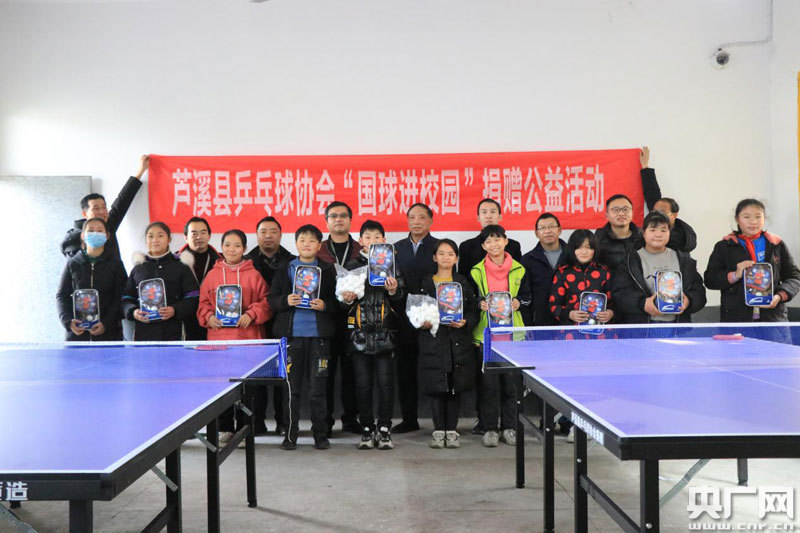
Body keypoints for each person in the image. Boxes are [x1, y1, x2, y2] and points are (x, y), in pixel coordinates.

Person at [197, 229, 272, 445]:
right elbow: (202, 305)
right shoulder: (212, 276)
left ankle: (246, 428)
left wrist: (251, 314)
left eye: (237, 245)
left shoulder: (254, 274)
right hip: (220, 341)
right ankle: (225, 427)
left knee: (247, 387)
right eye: (227, 245)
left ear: (244, 249)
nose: (232, 249)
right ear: (221, 248)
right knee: (223, 385)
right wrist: (209, 317)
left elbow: (267, 303)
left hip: (248, 340)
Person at [268, 224, 338, 450]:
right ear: (296, 244)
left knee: (318, 388)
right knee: (291, 389)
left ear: (319, 246)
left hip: (319, 337)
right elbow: (272, 299)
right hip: (291, 337)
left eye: (311, 240)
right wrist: (285, 301)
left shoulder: (328, 270)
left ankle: (320, 434)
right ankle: (290, 435)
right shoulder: (284, 268)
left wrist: (325, 305)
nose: (306, 244)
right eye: (302, 240)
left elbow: (338, 302)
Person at [340, 220, 405, 450]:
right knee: (363, 385)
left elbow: (402, 299)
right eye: (368, 237)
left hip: (385, 335)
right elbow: (341, 302)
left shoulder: (392, 265)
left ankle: (384, 428)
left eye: (377, 237)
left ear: (384, 241)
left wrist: (394, 290)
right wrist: (346, 298)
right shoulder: (352, 265)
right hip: (359, 336)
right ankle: (367, 428)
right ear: (360, 241)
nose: (372, 241)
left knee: (386, 385)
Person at [470, 225, 531, 448]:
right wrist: (479, 303)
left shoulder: (520, 269)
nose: (493, 244)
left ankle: (509, 428)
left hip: (513, 338)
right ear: (483, 246)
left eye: (497, 239)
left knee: (511, 387)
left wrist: (518, 302)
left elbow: (528, 297)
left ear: (506, 241)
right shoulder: (476, 271)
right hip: (487, 337)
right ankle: (490, 429)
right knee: (489, 387)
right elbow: (470, 298)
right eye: (488, 241)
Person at [418, 239, 479, 449]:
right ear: (434, 257)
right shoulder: (426, 282)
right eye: (441, 253)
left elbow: (473, 310)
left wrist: (466, 322)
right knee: (437, 386)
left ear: (456, 258)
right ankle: (438, 431)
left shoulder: (462, 282)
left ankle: (451, 431)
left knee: (455, 386)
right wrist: (422, 322)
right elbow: (416, 310)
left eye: (450, 254)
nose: (446, 257)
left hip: (457, 343)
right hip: (433, 341)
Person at [704, 199, 800, 322]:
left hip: (773, 318)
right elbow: (710, 280)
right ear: (737, 219)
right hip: (736, 318)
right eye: (747, 217)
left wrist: (780, 296)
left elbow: (794, 277)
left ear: (764, 218)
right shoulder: (725, 246)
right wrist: (735, 275)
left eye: (758, 217)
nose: (753, 222)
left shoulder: (776, 244)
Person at [244, 216, 294, 436]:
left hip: (283, 324)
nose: (268, 236)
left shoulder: (292, 261)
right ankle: (256, 421)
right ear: (256, 235)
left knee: (284, 376)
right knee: (257, 376)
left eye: (273, 231)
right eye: (263, 231)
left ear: (281, 235)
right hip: (255, 326)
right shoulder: (246, 262)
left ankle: (283, 422)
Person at [393, 203, 440, 433]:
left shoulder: (439, 247)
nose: (417, 222)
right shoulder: (396, 248)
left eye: (422, 217)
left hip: (431, 319)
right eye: (412, 217)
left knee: (434, 370)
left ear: (431, 220)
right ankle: (409, 419)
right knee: (405, 371)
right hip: (403, 319)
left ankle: (440, 421)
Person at [612, 211, 706, 323]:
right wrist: (642, 304)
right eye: (652, 230)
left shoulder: (684, 260)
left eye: (663, 230)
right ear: (644, 233)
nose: (658, 234)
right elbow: (620, 295)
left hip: (677, 327)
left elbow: (699, 292)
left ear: (669, 233)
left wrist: (689, 301)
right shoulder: (630, 261)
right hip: (642, 328)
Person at [316, 201, 361, 435]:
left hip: (356, 319)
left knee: (352, 373)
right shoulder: (318, 249)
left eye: (343, 215)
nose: (339, 219)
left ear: (350, 220)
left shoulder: (361, 249)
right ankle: (325, 421)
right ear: (327, 221)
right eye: (333, 216)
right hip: (327, 318)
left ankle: (351, 419)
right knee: (326, 373)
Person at [61, 155, 149, 260]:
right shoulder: (74, 237)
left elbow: (122, 201)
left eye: (104, 207)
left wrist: (141, 171)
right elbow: (74, 266)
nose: (102, 212)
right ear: (85, 214)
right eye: (96, 208)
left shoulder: (108, 225)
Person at [122, 222, 199, 341]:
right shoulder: (138, 269)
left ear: (169, 239)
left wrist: (175, 310)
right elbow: (126, 298)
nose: (155, 240)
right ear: (146, 240)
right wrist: (133, 312)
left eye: (160, 235)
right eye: (150, 236)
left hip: (174, 332)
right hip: (143, 333)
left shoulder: (181, 266)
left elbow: (193, 298)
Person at [56, 218, 127, 341]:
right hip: (77, 334)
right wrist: (68, 322)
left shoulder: (115, 264)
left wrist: (106, 323)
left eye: (100, 231)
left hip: (108, 334)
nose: (95, 234)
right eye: (91, 230)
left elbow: (121, 296)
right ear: (83, 235)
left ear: (107, 236)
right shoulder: (73, 263)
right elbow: (61, 295)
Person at [548, 230, 613, 325]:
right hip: (571, 330)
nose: (584, 252)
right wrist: (570, 314)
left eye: (589, 247)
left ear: (595, 250)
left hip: (600, 330)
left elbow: (616, 302)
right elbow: (554, 305)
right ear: (572, 249)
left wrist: (611, 313)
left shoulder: (604, 272)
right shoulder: (562, 272)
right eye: (579, 247)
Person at [520, 213, 567, 326]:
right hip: (540, 321)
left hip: (568, 319)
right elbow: (524, 295)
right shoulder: (528, 260)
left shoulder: (572, 256)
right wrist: (529, 326)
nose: (547, 231)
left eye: (551, 227)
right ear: (536, 233)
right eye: (542, 228)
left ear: (559, 230)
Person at [178, 217, 221, 340]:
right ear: (186, 237)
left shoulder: (220, 261)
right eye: (194, 233)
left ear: (209, 236)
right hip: (185, 319)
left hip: (212, 319)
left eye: (203, 232)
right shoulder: (175, 262)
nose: (199, 237)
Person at [457, 198, 522, 277]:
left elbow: (519, 274)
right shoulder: (466, 247)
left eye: (492, 212)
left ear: (500, 217)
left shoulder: (513, 245)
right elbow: (463, 278)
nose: (488, 216)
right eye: (484, 212)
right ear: (478, 218)